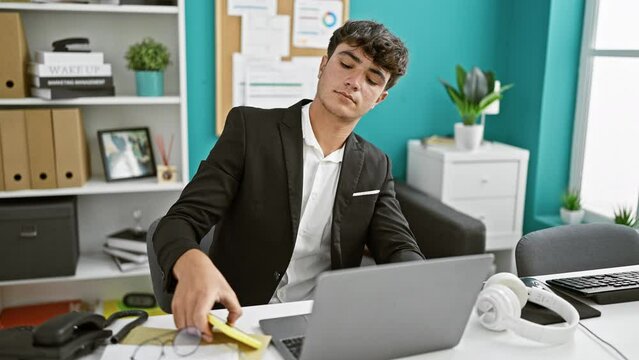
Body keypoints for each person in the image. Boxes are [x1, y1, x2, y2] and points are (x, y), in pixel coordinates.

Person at [153, 20, 425, 342]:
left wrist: (421, 283)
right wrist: (192, 262)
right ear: (323, 66)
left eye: (371, 79)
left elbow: (399, 246)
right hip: (239, 317)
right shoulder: (250, 130)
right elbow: (179, 221)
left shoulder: (376, 165)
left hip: (321, 325)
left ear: (379, 98)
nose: (354, 82)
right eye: (346, 64)